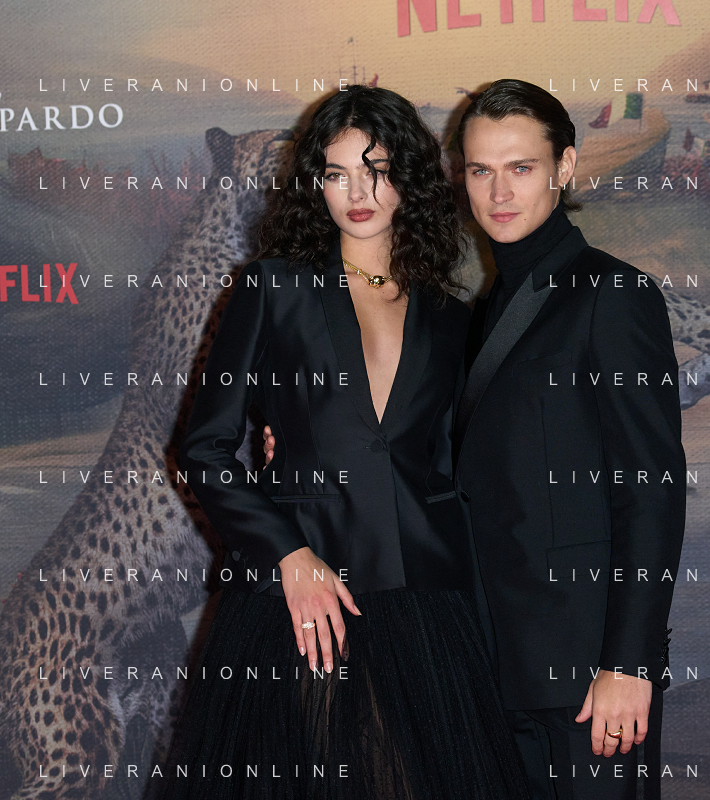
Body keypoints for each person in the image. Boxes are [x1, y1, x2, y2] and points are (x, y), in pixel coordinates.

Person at [160, 85, 530, 800]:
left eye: (376, 170)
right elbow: (205, 449)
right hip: (302, 592)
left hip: (424, 601)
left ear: (409, 178)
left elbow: (462, 466)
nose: (356, 193)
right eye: (336, 174)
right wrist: (287, 555)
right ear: (315, 185)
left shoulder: (452, 317)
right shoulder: (273, 288)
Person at [452, 78, 687, 799]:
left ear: (565, 167)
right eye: (480, 170)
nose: (498, 192)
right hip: (490, 666)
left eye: (520, 168)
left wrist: (630, 663)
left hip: (589, 677)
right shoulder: (481, 313)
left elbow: (652, 492)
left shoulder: (613, 296)